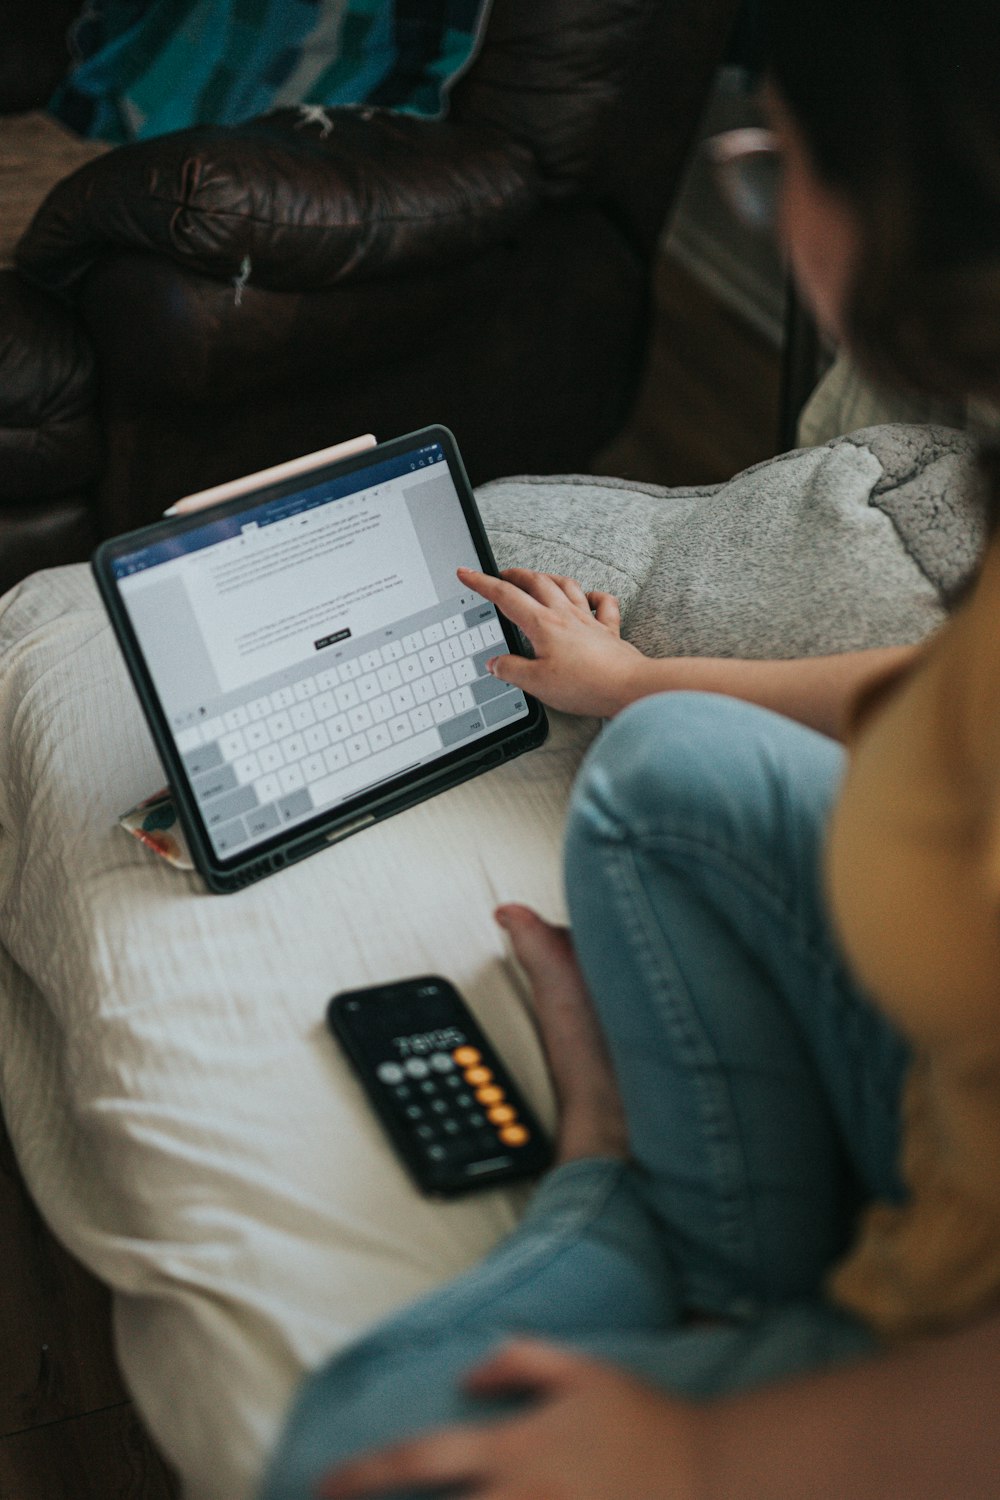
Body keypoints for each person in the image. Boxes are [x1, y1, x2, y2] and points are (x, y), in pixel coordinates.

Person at [260, 1, 1000, 1494]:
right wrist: (639, 677)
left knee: (367, 1449)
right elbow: (947, 685)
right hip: (946, 1104)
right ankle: (673, 1201)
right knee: (673, 761)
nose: (775, 204)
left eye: (775, 162)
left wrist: (697, 1451)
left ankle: (612, 1195)